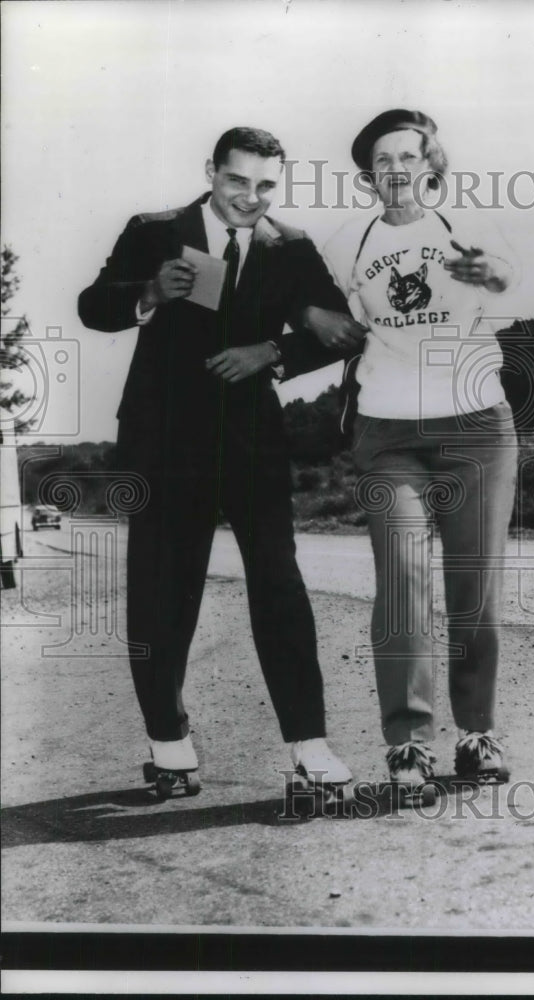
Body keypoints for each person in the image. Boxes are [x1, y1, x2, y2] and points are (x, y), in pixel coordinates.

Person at [78, 127, 365, 799]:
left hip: (250, 441)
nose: (250, 198)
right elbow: (94, 308)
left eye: (266, 185)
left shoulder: (288, 247)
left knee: (279, 586)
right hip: (161, 440)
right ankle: (169, 745)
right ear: (211, 172)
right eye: (237, 181)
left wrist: (273, 352)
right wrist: (147, 293)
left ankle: (310, 745)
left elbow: (338, 329)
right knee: (162, 592)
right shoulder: (154, 230)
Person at [320, 110, 519, 800]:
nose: (397, 171)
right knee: (402, 585)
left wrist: (485, 270)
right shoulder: (350, 242)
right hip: (387, 434)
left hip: (475, 428)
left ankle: (476, 733)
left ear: (429, 166)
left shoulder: (464, 224)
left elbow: (502, 276)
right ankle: (407, 743)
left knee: (475, 588)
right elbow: (329, 324)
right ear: (367, 174)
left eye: (408, 157)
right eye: (382, 161)